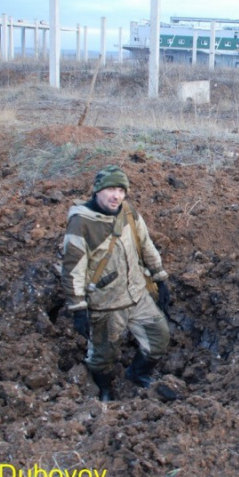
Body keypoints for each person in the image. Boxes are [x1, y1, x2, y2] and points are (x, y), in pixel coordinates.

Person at [61, 165, 172, 401]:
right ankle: (103, 389)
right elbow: (73, 269)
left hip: (137, 295)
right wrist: (78, 308)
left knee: (159, 338)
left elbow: (146, 244)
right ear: (97, 191)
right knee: (102, 357)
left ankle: (137, 374)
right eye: (111, 189)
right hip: (106, 303)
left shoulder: (128, 213)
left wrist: (160, 277)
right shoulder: (81, 222)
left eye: (121, 190)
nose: (116, 196)